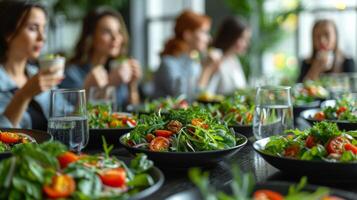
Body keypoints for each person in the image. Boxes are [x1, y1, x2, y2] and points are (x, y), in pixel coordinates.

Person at [60, 7, 142, 108]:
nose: (115, 38)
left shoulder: (116, 70)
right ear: (91, 36)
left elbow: (131, 113)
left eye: (119, 31)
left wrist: (132, 86)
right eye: (107, 32)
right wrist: (111, 83)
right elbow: (74, 117)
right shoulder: (72, 73)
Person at [0, 0, 63, 130]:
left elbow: (67, 116)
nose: (42, 37)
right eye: (33, 28)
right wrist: (24, 95)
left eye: (43, 29)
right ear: (8, 32)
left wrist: (87, 90)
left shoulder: (37, 75)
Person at [153, 10, 220, 99]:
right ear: (188, 35)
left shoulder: (194, 62)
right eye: (204, 32)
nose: (209, 38)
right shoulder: (168, 64)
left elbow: (207, 96)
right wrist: (206, 69)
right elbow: (187, 101)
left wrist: (212, 70)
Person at [207, 17, 251, 95]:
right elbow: (207, 93)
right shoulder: (214, 59)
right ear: (231, 37)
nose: (246, 44)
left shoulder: (234, 60)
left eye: (247, 40)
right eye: (243, 39)